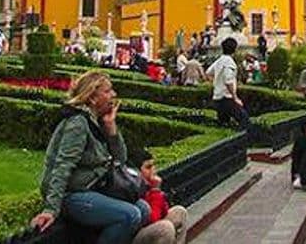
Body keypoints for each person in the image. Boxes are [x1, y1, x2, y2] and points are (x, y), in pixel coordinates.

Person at [30, 71, 149, 244]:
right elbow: (62, 166)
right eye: (108, 91)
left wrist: (111, 129)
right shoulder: (78, 123)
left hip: (93, 189)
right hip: (72, 195)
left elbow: (120, 160)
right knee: (130, 215)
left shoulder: (98, 121)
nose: (114, 95)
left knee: (143, 208)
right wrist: (50, 209)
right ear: (92, 98)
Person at [131, 148, 188, 244]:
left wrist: (158, 193)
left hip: (151, 225)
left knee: (180, 212)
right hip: (135, 234)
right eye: (148, 167)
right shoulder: (133, 187)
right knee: (166, 228)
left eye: (154, 166)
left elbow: (163, 212)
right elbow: (152, 219)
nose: (153, 170)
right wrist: (155, 191)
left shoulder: (148, 185)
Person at [206, 37, 249, 130]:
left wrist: (216, 83)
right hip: (226, 98)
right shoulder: (229, 62)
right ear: (235, 49)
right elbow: (228, 81)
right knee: (244, 119)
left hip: (217, 97)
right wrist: (235, 97)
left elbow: (208, 72)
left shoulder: (219, 61)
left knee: (224, 124)